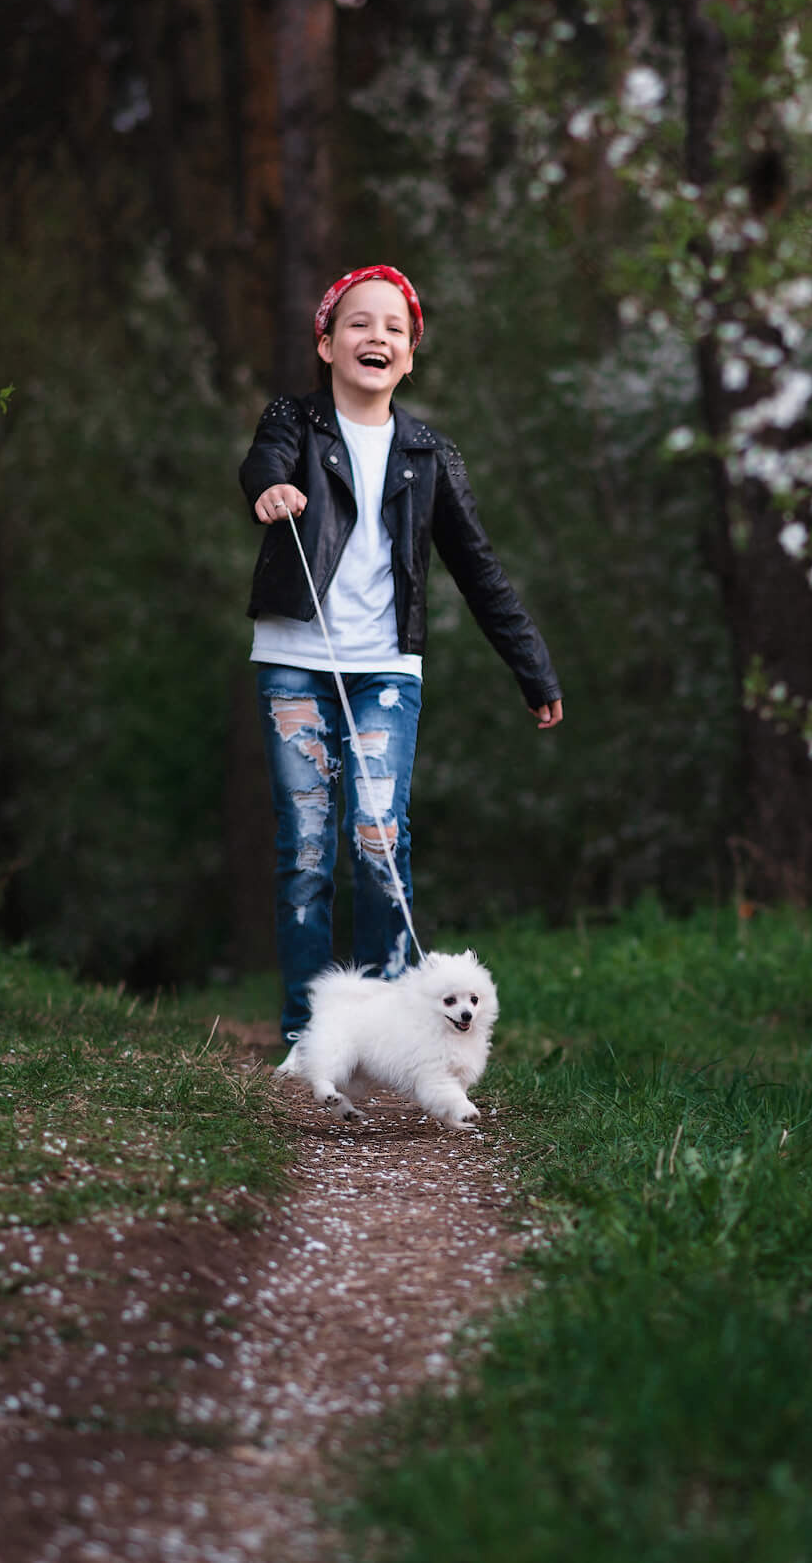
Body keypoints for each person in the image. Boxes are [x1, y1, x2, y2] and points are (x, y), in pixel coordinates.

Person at [239, 265, 564, 1045]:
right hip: (294, 659)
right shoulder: (295, 418)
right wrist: (272, 491)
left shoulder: (429, 454)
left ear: (411, 356)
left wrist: (534, 666)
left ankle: (388, 1033)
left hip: (386, 667)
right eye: (357, 322)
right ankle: (308, 1034)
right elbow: (264, 460)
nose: (375, 336)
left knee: (378, 841)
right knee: (307, 849)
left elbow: (478, 568)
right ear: (326, 342)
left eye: (394, 327)